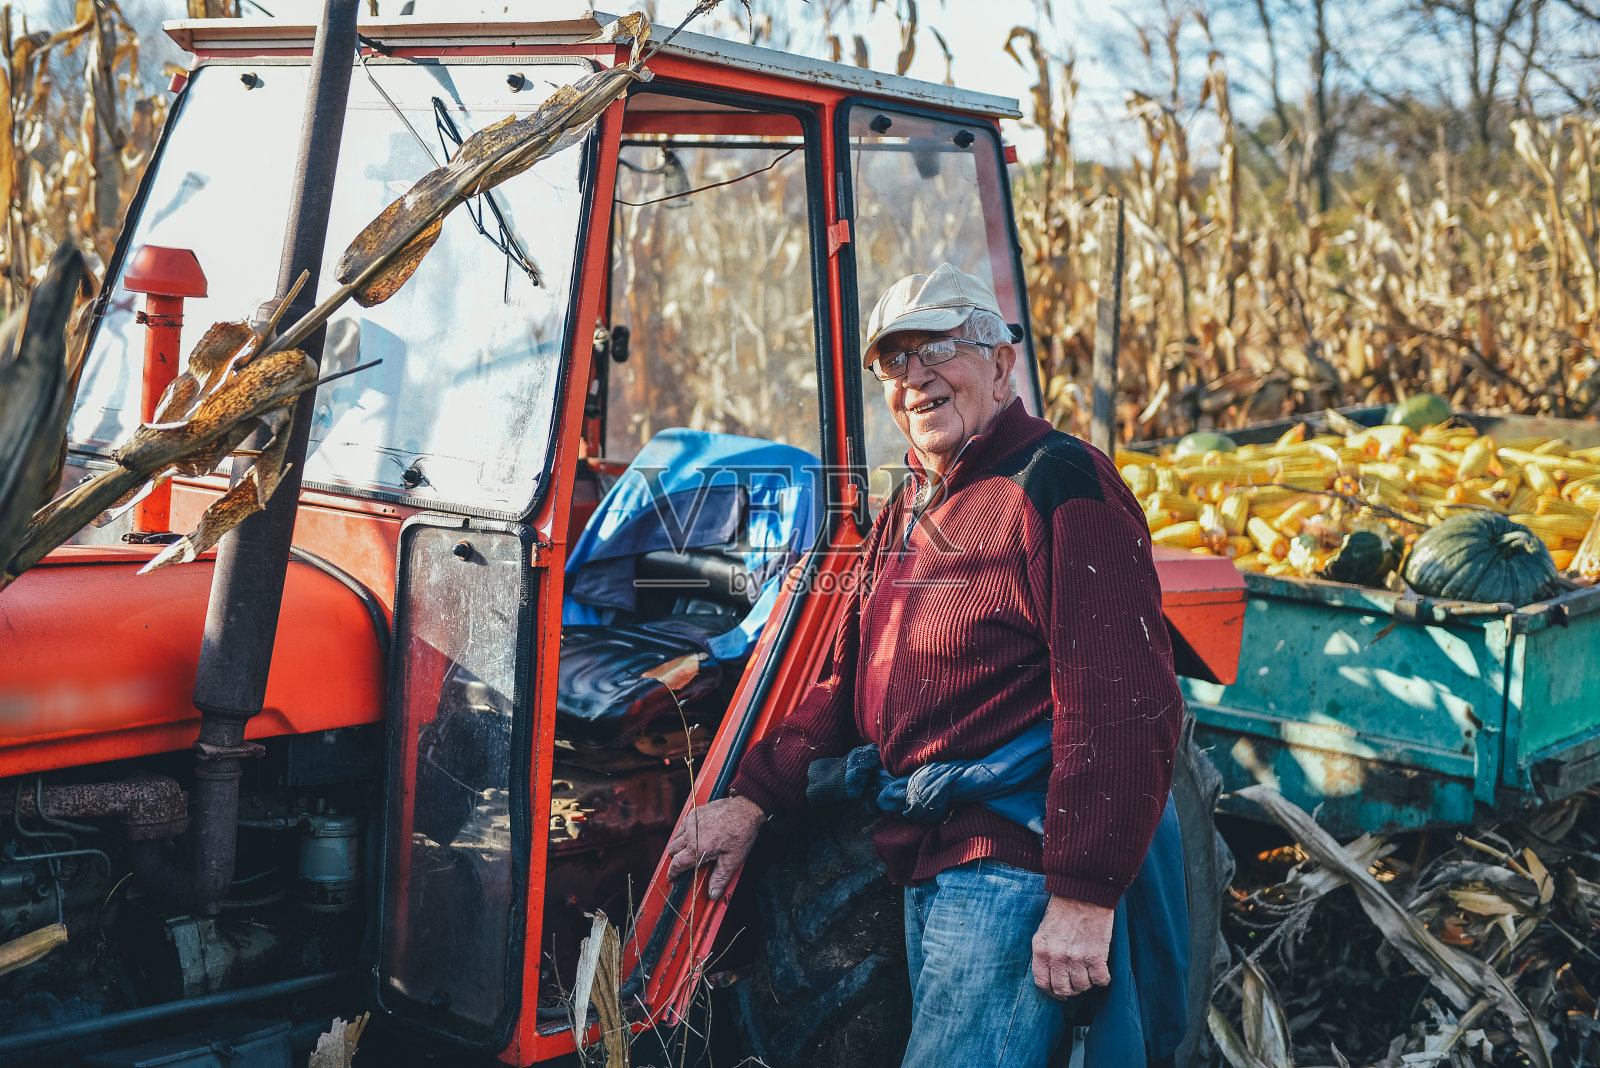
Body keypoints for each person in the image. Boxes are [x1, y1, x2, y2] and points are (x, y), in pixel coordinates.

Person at [665, 262, 1185, 1067]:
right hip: (919, 844)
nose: (915, 378)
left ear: (1002, 363)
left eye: (939, 347)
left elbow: (1118, 702)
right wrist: (752, 802)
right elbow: (846, 685)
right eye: (894, 362)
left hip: (1006, 860)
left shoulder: (1060, 484)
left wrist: (1083, 896)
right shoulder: (913, 504)